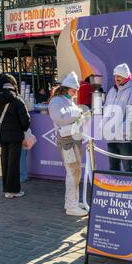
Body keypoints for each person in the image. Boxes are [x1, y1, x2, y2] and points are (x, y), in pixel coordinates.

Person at [49, 72, 88, 217]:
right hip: (67, 141)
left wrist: (80, 115)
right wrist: (79, 114)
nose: (75, 93)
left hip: (72, 139)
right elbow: (59, 118)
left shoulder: (66, 100)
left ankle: (72, 202)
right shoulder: (57, 101)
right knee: (73, 172)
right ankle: (71, 206)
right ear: (66, 88)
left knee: (74, 172)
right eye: (73, 90)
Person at [0, 74, 30, 199]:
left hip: (2, 136)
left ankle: (6, 189)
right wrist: (23, 128)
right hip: (15, 136)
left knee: (4, 161)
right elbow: (26, 121)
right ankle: (13, 190)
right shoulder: (18, 100)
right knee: (14, 163)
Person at [103, 63, 132, 172]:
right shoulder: (112, 91)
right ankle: (115, 189)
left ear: (126, 76)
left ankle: (131, 189)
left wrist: (120, 131)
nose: (116, 79)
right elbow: (107, 111)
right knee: (113, 168)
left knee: (128, 169)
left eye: (119, 76)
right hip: (111, 137)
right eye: (115, 76)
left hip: (125, 139)